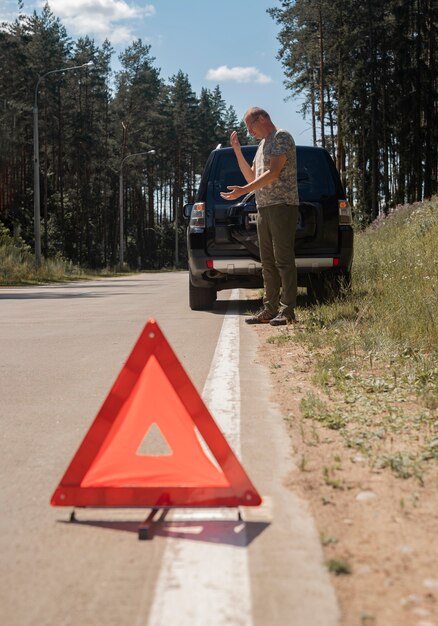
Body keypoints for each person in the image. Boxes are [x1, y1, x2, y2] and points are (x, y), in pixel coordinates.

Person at [220, 107, 299, 326]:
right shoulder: (262, 145)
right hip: (264, 207)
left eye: (250, 126)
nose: (249, 131)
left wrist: (243, 191)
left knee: (283, 259)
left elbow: (272, 173)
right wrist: (236, 150)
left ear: (262, 118)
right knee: (267, 262)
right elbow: (252, 176)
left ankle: (288, 309)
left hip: (282, 206)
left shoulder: (281, 137)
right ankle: (270, 308)